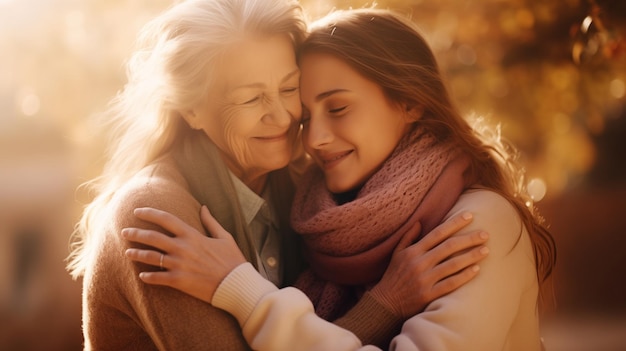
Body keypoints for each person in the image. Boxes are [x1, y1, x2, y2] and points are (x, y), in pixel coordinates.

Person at [123, 7, 557, 351]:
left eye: (338, 108)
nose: (311, 137)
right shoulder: (320, 217)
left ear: (409, 102)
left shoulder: (478, 223)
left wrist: (244, 292)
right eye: (308, 114)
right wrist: (385, 304)